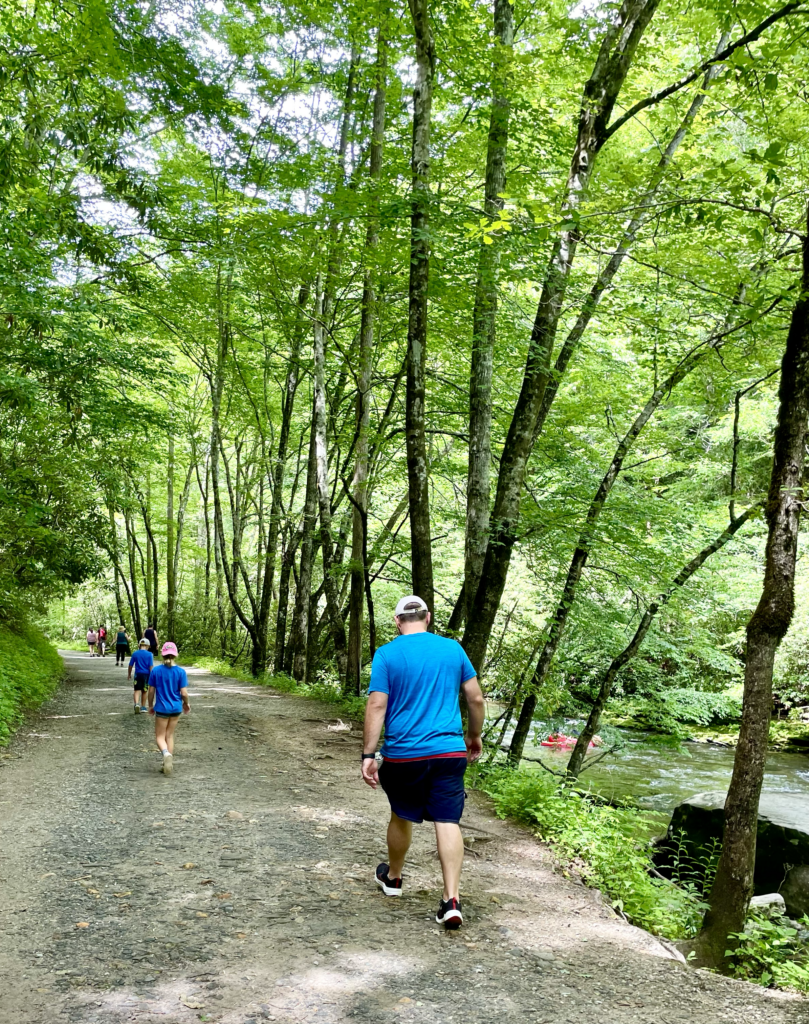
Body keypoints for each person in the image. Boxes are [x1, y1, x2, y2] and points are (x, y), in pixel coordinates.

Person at [361, 595, 485, 930]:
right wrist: (474, 735)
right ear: (427, 617)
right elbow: (474, 697)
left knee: (401, 814)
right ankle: (451, 900)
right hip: (448, 752)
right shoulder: (453, 649)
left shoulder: (387, 654)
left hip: (404, 754)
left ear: (398, 621)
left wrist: (369, 755)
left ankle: (394, 878)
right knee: (447, 820)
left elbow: (376, 707)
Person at [147, 642, 190, 775]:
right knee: (169, 735)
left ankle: (166, 755)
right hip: (176, 708)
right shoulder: (181, 672)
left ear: (162, 654)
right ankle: (168, 763)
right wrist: (186, 704)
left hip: (162, 709)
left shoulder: (156, 671)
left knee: (160, 736)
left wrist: (150, 705)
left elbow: (150, 691)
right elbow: (184, 693)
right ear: (176, 655)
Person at [128, 638, 154, 713]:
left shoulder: (135, 653)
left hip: (138, 674)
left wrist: (129, 674)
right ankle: (143, 707)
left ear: (139, 645)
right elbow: (151, 666)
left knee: (137, 690)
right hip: (146, 675)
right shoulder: (150, 654)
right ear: (148, 646)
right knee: (145, 691)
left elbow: (130, 665)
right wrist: (152, 676)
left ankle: (136, 704)